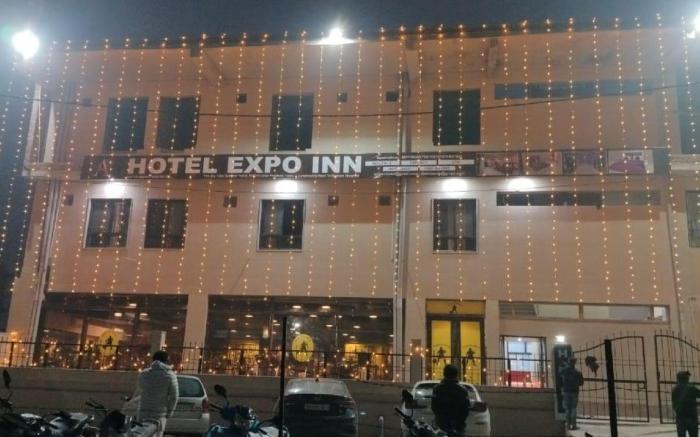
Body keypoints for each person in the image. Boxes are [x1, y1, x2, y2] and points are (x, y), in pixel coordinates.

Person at [134, 350, 179, 437]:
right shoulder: (170, 375)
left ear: (153, 360)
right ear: (166, 361)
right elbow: (174, 397)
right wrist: (169, 412)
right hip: (159, 415)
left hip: (143, 413)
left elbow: (139, 391)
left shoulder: (143, 374)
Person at [431, 364, 471, 437]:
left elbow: (434, 407)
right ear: (456, 375)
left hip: (442, 425)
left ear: (444, 374)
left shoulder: (437, 389)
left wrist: (440, 418)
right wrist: (459, 421)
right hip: (458, 426)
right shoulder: (462, 390)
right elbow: (466, 409)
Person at [672, 370, 700, 437]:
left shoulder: (675, 389)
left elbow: (674, 404)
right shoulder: (692, 388)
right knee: (693, 434)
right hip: (692, 417)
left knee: (681, 435)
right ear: (687, 379)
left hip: (680, 417)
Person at [560, 357, 584, 431]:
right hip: (575, 391)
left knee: (567, 408)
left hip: (566, 391)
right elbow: (581, 383)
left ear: (568, 361)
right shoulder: (578, 372)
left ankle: (568, 425)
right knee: (573, 408)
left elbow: (560, 376)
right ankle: (574, 425)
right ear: (575, 363)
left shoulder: (564, 371)